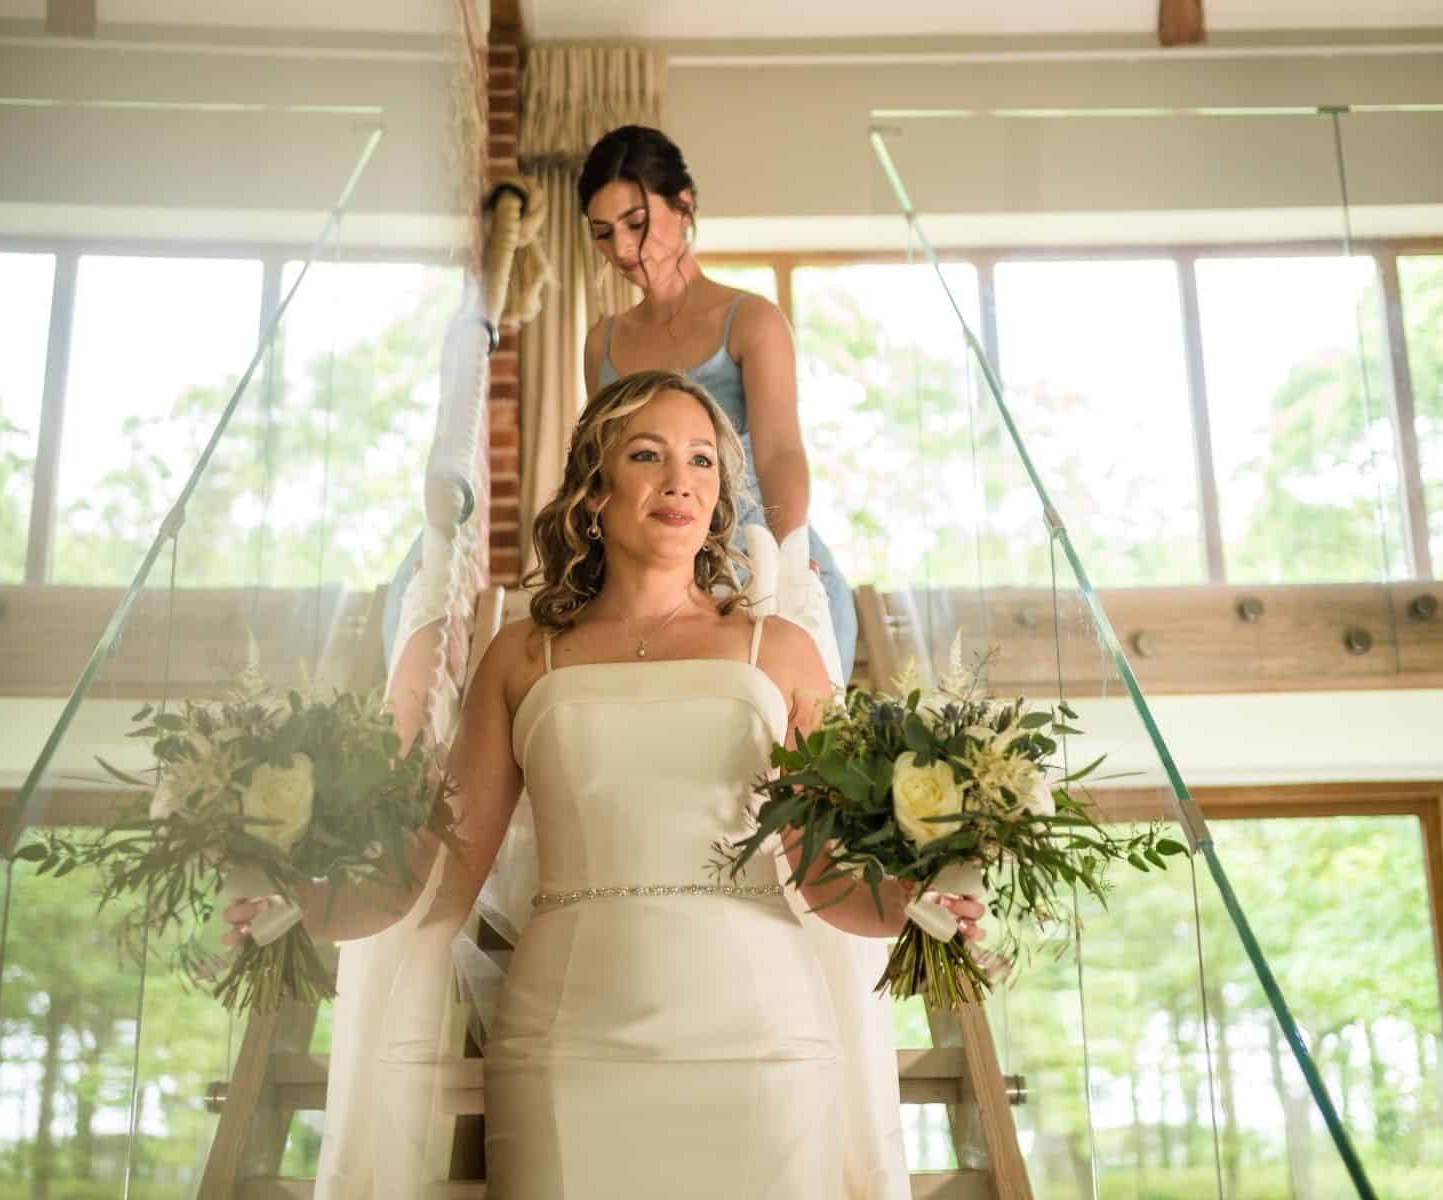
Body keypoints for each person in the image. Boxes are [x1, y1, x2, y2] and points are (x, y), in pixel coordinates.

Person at [227, 371, 984, 1197]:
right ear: (594, 488)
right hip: (566, 1043)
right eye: (648, 454)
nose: (681, 482)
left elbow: (826, 877)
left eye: (702, 461)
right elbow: (439, 874)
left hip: (763, 1042)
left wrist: (926, 900)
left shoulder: (784, 650)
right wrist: (302, 899)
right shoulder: (519, 657)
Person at [578, 124, 857, 682]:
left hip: (763, 558)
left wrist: (786, 569)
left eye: (637, 224)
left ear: (684, 206)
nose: (624, 250)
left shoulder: (750, 320)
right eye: (604, 234)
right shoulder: (602, 342)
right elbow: (605, 478)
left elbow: (779, 451)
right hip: (654, 573)